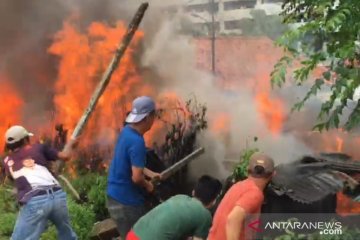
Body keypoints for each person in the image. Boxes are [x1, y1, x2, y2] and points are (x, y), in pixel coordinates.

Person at [2, 125, 77, 240]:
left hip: (35, 199)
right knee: (66, 234)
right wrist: (71, 142)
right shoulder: (39, 148)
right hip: (57, 195)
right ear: (25, 140)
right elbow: (65, 156)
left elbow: (13, 178)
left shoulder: (7, 161)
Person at [107, 96, 161, 238]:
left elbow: (132, 164)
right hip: (127, 203)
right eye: (154, 116)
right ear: (147, 117)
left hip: (114, 196)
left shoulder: (126, 131)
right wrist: (148, 185)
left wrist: (150, 173)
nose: (154, 120)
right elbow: (137, 178)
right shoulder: (137, 142)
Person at [126, 175, 222, 240]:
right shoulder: (205, 215)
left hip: (132, 234)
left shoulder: (179, 197)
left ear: (193, 191)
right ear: (214, 200)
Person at [208, 153, 275, 240]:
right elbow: (233, 219)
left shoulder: (238, 186)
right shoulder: (255, 194)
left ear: (247, 170)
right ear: (273, 174)